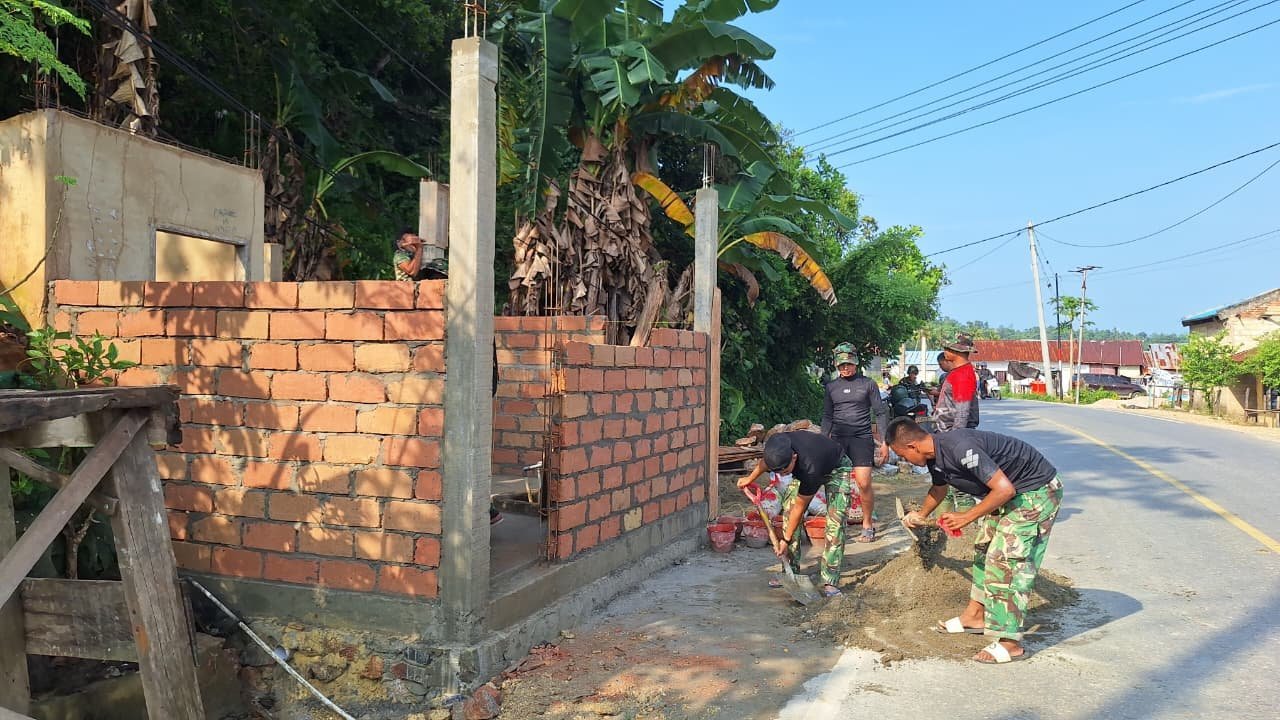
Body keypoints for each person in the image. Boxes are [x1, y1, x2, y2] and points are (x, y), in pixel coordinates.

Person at [886, 417, 1064, 665]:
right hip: (1008, 494)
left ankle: (1010, 642)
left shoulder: (960, 448)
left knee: (1004, 560)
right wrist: (921, 515)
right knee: (984, 548)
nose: (903, 460)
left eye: (901, 455)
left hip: (1035, 491)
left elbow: (1005, 489)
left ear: (912, 446)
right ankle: (975, 615)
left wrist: (966, 516)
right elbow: (939, 489)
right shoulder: (935, 458)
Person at [391, 235, 502, 524]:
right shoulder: (445, 319)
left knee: (458, 455)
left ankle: (475, 510)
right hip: (448, 402)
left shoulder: (460, 321)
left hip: (461, 399)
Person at [738, 432, 852, 598]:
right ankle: (790, 571)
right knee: (788, 516)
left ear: (794, 458)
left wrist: (785, 540)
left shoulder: (810, 468)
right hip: (808, 464)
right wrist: (749, 478)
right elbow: (765, 463)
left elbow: (800, 507)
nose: (783, 475)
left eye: (785, 471)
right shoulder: (777, 448)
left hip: (836, 467)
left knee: (836, 522)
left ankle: (830, 580)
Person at [820, 343, 890, 543]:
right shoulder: (831, 387)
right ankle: (836, 525)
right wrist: (823, 440)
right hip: (838, 440)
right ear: (836, 365)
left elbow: (880, 412)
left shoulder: (868, 384)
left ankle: (867, 524)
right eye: (842, 365)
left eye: (849, 364)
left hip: (861, 439)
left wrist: (885, 442)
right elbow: (827, 416)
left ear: (856, 363)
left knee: (863, 483)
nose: (845, 368)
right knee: (836, 485)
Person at [935, 333, 980, 432]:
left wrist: (955, 436)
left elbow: (962, 412)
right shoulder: (958, 372)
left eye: (947, 348)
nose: (945, 351)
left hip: (951, 433)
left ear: (957, 351)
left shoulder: (962, 375)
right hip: (946, 431)